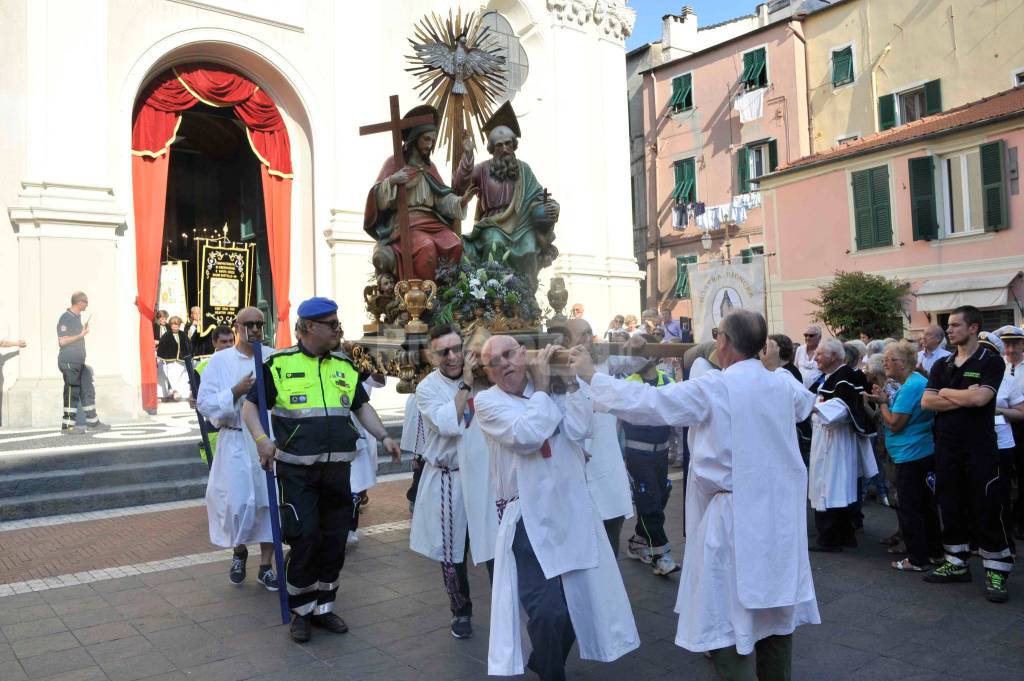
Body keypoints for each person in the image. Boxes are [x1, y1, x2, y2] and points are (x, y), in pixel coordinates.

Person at [571, 310, 818, 680]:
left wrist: (593, 376)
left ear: (722, 342)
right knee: (776, 615)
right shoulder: (783, 383)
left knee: (724, 616)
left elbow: (651, 403)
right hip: (781, 518)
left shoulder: (715, 388)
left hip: (734, 517)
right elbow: (807, 405)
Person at [476, 336, 639, 680]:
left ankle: (544, 659)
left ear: (524, 354)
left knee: (581, 605)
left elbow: (581, 428)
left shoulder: (551, 386)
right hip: (527, 521)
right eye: (495, 362)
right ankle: (552, 674)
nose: (505, 364)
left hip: (572, 510)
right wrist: (543, 389)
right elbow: (527, 436)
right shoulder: (487, 403)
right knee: (547, 611)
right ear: (489, 373)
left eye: (510, 354)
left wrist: (571, 383)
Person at [241, 296, 401, 642]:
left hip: (337, 473)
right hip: (297, 473)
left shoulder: (344, 366)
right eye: (332, 324)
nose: (338, 329)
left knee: (334, 542)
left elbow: (362, 409)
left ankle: (324, 608)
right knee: (305, 539)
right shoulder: (279, 365)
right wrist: (261, 440)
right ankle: (301, 611)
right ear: (309, 327)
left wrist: (385, 437)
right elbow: (250, 409)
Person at [410, 324, 498, 640]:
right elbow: (449, 423)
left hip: (484, 477)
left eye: (456, 348)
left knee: (493, 545)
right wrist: (466, 385)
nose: (452, 356)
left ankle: (505, 606)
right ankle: (460, 610)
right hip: (449, 478)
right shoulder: (427, 389)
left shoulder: (486, 380)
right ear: (432, 356)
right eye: (443, 352)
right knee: (452, 553)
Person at [921, 306, 1012, 602]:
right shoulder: (943, 364)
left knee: (987, 506)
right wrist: (960, 396)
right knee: (950, 505)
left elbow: (981, 397)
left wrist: (946, 393)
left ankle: (996, 570)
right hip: (947, 447)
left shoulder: (991, 360)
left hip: (980, 449)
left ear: (973, 328)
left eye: (956, 325)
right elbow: (927, 402)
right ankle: (957, 563)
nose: (950, 330)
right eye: (948, 326)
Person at [196, 309, 277, 590]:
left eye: (259, 325)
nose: (254, 330)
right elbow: (204, 403)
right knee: (238, 503)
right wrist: (234, 391)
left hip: (264, 441)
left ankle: (266, 566)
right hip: (233, 441)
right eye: (249, 325)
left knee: (269, 504)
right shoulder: (219, 361)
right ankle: (240, 550)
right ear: (237, 327)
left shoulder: (271, 357)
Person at [454, 102, 560, 292]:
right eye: (499, 145)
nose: (504, 149)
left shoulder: (524, 169)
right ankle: (492, 294)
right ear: (492, 149)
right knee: (494, 243)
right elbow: (459, 186)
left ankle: (526, 295)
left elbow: (538, 196)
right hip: (491, 223)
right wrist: (468, 155)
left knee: (529, 247)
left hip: (521, 224)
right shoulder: (482, 169)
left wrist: (553, 207)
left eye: (508, 144)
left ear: (514, 145)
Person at [364, 105, 475, 282]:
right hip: (406, 223)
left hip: (431, 221)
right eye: (426, 139)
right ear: (414, 139)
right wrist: (392, 181)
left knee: (455, 244)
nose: (430, 145)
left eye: (433, 140)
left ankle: (447, 294)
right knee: (426, 247)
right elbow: (376, 197)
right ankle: (423, 298)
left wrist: (461, 201)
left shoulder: (430, 168)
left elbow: (442, 199)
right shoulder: (394, 163)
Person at [559, 319, 633, 558]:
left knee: (611, 540)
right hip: (575, 471)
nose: (588, 339)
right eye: (581, 335)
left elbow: (636, 359)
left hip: (607, 467)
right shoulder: (554, 371)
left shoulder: (602, 361)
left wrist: (638, 342)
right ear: (566, 340)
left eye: (590, 333)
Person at [864, 341, 941, 571]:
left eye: (891, 359)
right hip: (920, 450)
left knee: (911, 507)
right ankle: (935, 553)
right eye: (885, 359)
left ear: (905, 363)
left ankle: (917, 559)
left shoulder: (910, 387)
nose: (885, 363)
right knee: (926, 506)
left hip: (910, 453)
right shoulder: (916, 382)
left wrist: (883, 404)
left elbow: (895, 424)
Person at [807, 337, 877, 552]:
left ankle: (830, 538)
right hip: (829, 438)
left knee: (830, 486)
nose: (815, 357)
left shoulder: (844, 378)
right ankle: (843, 535)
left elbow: (840, 410)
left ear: (834, 356)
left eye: (820, 354)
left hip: (833, 440)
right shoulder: (833, 376)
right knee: (836, 486)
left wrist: (812, 407)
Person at [619, 346, 680, 575]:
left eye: (642, 352)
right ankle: (660, 556)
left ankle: (638, 542)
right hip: (638, 454)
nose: (636, 357)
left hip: (661, 453)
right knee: (650, 502)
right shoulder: (630, 383)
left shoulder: (669, 382)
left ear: (654, 355)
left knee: (660, 496)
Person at [981, 331, 1024, 557]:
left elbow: (1020, 411)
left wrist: (997, 410)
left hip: (1006, 439)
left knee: (1001, 493)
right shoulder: (966, 375)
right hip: (978, 442)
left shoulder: (1006, 377)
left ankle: (1007, 541)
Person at [57, 291, 109, 434]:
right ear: (80, 302)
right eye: (86, 302)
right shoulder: (66, 318)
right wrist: (81, 335)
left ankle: (93, 422)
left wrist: (81, 332)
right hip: (69, 361)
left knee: (87, 388)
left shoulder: (76, 318)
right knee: (71, 391)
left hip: (79, 362)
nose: (87, 305)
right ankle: (67, 427)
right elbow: (62, 341)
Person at [348, 371, 387, 545]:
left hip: (357, 433)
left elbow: (380, 382)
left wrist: (369, 364)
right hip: (325, 441)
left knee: (355, 485)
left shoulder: (357, 368)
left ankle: (350, 528)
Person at [191, 325, 236, 464]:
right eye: (224, 342)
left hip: (239, 426)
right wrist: (192, 400)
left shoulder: (242, 363)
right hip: (214, 427)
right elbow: (197, 399)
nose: (228, 345)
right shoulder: (202, 368)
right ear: (214, 343)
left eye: (231, 341)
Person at [995, 325, 1024, 537]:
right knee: (1003, 476)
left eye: (1015, 344)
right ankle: (1005, 518)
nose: (1011, 349)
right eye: (1007, 344)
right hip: (1002, 428)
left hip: (1021, 428)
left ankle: (1020, 519)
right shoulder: (999, 366)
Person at [156, 316, 192, 401]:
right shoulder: (166, 335)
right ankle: (175, 391)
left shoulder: (183, 335)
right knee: (172, 376)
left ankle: (184, 394)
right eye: (173, 325)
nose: (175, 327)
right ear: (170, 325)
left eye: (177, 325)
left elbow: (189, 345)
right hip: (170, 360)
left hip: (182, 360)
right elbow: (162, 346)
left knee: (183, 377)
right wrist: (162, 357)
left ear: (179, 326)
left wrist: (189, 355)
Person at [794, 325, 823, 389]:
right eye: (805, 335)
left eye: (811, 335)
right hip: (800, 389)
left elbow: (827, 372)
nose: (807, 338)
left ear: (819, 337)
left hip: (817, 390)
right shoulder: (800, 349)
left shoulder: (824, 351)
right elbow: (795, 368)